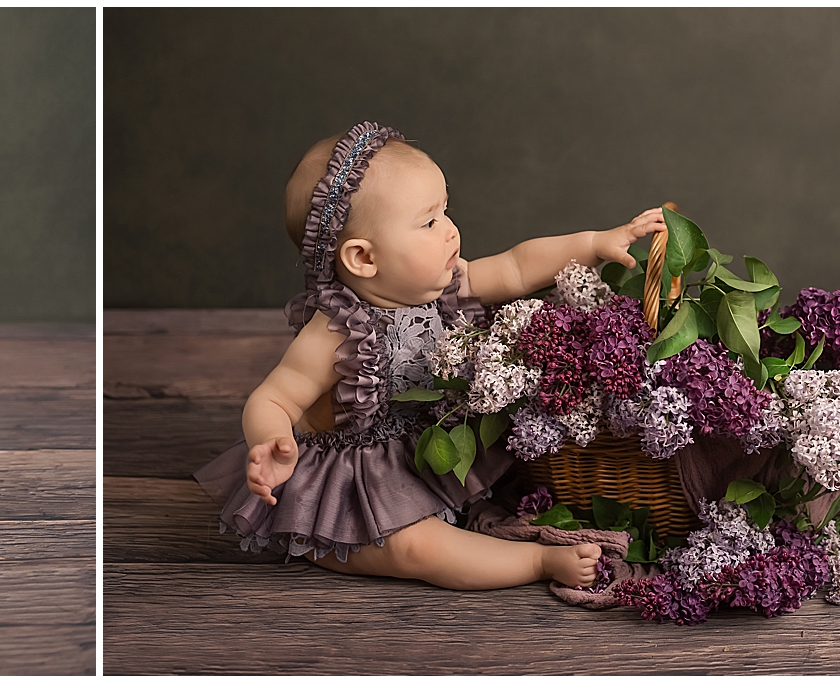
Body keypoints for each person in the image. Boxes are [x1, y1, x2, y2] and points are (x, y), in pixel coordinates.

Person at [194, 122, 665, 589]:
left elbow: (519, 266)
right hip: (353, 484)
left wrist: (594, 244)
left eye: (446, 211)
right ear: (363, 259)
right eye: (429, 222)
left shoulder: (442, 287)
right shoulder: (334, 333)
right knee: (415, 548)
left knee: (517, 472)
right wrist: (270, 444)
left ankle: (487, 531)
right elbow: (273, 399)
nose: (451, 231)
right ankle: (537, 563)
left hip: (421, 451)